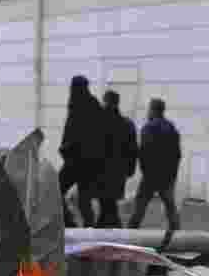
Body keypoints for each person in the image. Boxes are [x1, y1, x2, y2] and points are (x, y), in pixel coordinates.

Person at [128, 98, 181, 247]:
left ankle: (130, 234)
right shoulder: (171, 128)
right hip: (167, 176)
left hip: (150, 176)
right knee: (170, 206)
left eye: (149, 109)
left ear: (153, 110)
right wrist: (172, 174)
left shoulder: (148, 128)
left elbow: (144, 152)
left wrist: (145, 171)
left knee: (139, 206)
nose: (148, 112)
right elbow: (177, 154)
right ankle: (177, 236)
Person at [59, 75, 106, 228]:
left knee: (56, 191)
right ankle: (87, 227)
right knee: (84, 199)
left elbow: (76, 133)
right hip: (86, 162)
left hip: (77, 160)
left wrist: (66, 147)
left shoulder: (78, 104)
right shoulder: (92, 104)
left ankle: (70, 222)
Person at [97, 90, 138, 228]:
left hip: (102, 171)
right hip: (119, 171)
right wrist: (130, 169)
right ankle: (108, 228)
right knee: (109, 203)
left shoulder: (99, 122)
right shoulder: (127, 124)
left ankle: (109, 229)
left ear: (105, 102)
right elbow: (133, 149)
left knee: (107, 204)